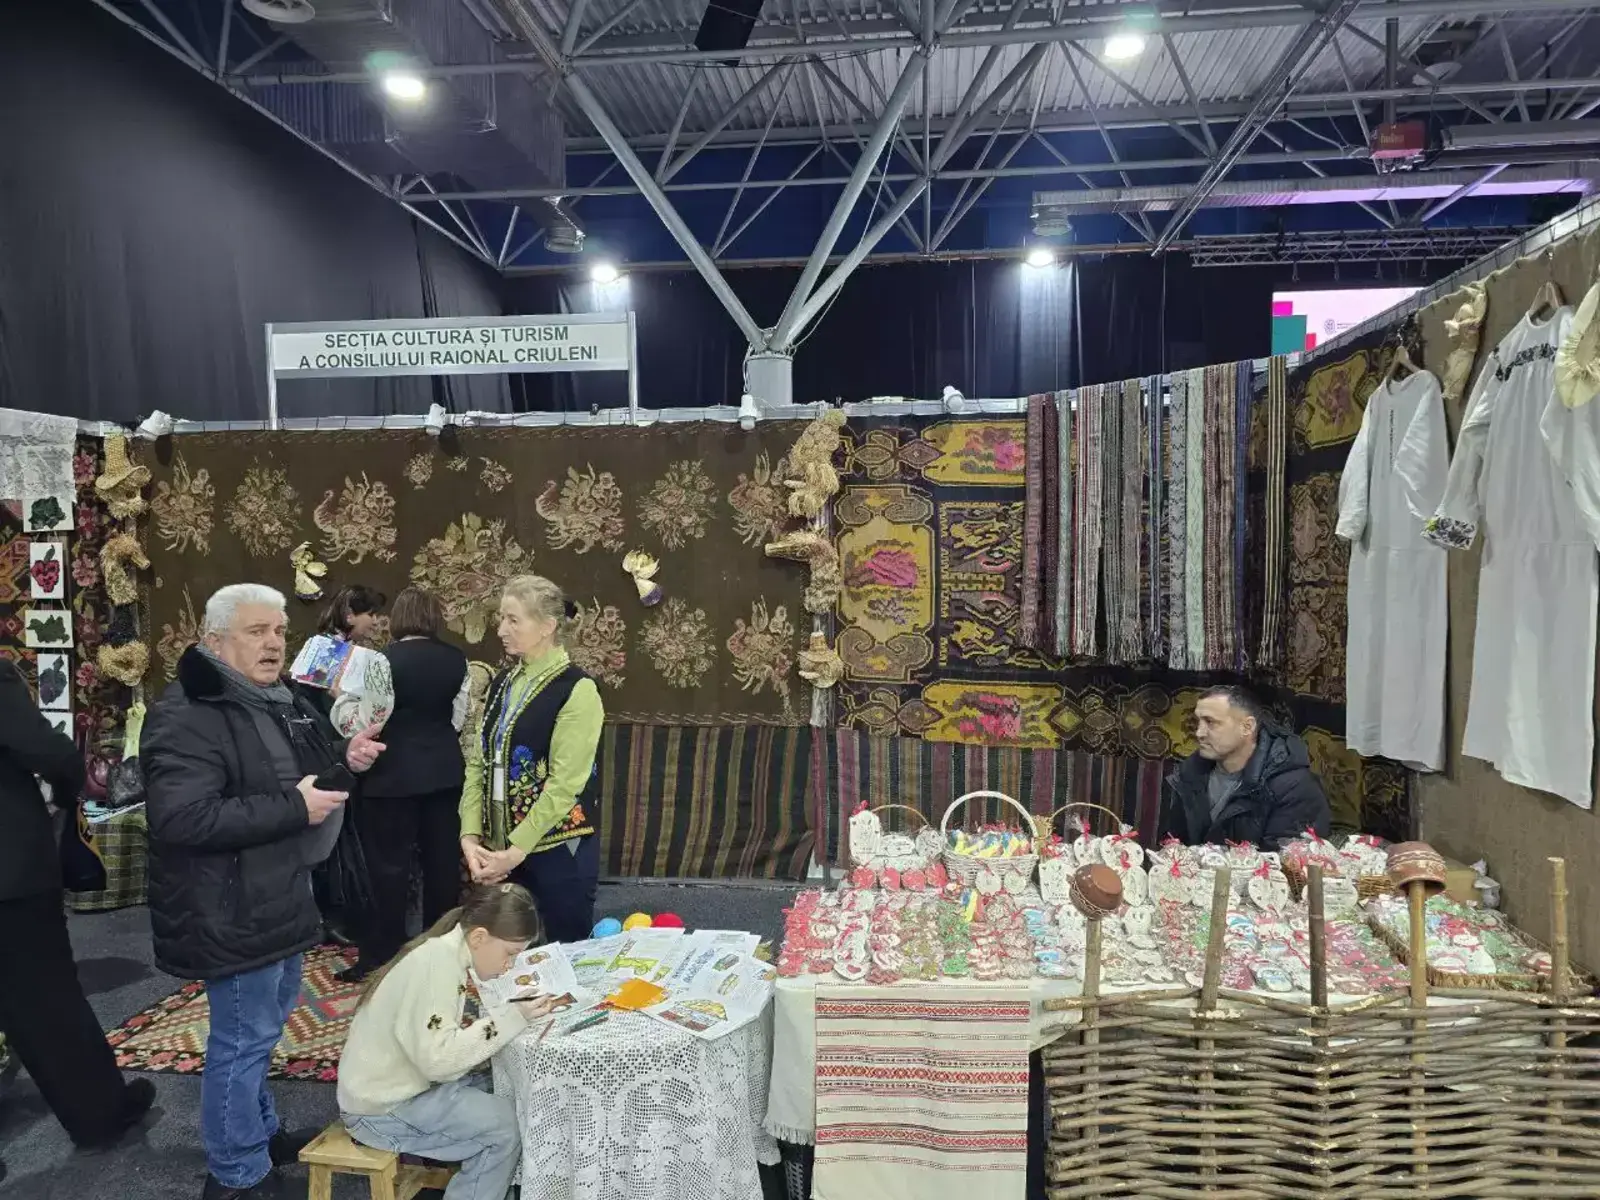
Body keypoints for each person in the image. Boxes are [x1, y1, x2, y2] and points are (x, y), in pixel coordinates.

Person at [141, 583, 387, 1200]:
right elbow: (182, 818)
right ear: (214, 640)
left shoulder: (273, 699)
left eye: (278, 631)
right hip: (230, 903)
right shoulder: (187, 713)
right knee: (241, 1041)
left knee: (264, 1032)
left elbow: (291, 774)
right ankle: (235, 1173)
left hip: (276, 890)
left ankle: (257, 1133)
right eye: (257, 632)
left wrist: (347, 757)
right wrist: (294, 807)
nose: (274, 643)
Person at [0, 659, 156, 1161]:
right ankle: (100, 1114)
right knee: (47, 999)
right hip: (9, 874)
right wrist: (70, 789)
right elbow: (47, 751)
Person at [338, 884, 557, 1200]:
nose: (510, 965)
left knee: (509, 1087)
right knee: (505, 1128)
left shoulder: (444, 951)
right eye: (510, 954)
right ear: (479, 937)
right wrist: (512, 1017)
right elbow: (439, 1063)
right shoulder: (436, 967)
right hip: (381, 1108)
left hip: (398, 1089)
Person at [336, 587, 470, 983]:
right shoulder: (458, 659)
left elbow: (366, 721)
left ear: (397, 619)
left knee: (387, 871)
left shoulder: (380, 660)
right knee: (442, 868)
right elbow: (457, 718)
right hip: (444, 772)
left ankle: (380, 957)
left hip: (390, 775)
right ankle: (440, 955)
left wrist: (340, 701)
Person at [460, 575, 604, 944]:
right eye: (501, 619)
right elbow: (478, 763)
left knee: (563, 954)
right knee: (504, 956)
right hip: (500, 852)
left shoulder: (576, 689)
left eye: (513, 620)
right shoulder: (503, 684)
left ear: (547, 626)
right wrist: (471, 838)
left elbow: (566, 783)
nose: (501, 630)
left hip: (557, 851)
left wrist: (516, 850)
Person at [1160, 685, 1333, 851]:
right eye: (1198, 722)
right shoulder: (1190, 774)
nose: (1199, 733)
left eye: (1210, 722)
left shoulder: (1294, 788)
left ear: (1247, 727)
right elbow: (1174, 845)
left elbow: (1288, 863)